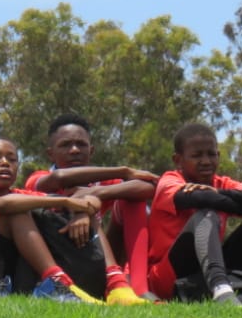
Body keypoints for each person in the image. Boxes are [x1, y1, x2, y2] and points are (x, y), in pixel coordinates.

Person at [0, 138, 123, 302]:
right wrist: (66, 202)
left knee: (75, 215)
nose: (5, 163)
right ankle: (56, 281)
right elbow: (4, 204)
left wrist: (82, 213)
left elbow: (90, 200)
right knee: (17, 212)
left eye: (12, 160)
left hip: (19, 277)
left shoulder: (22, 195)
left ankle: (116, 284)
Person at [24, 113, 158, 297]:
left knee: (134, 201)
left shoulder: (99, 182)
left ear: (91, 150)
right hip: (58, 257)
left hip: (96, 253)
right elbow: (59, 178)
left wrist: (97, 192)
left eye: (81, 144)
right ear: (50, 154)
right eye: (65, 145)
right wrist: (124, 171)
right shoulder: (39, 178)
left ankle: (138, 289)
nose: (74, 150)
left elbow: (150, 187)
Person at [147, 123, 242, 303]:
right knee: (206, 212)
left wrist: (218, 192)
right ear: (178, 160)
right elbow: (200, 198)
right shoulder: (170, 181)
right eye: (197, 155)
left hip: (206, 271)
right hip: (169, 276)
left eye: (211, 154)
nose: (206, 161)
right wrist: (217, 197)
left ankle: (221, 288)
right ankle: (221, 290)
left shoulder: (221, 183)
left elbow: (212, 196)